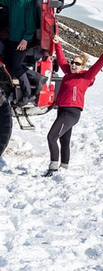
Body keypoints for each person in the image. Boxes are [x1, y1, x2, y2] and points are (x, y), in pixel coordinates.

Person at [44, 35, 103, 176]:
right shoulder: (67, 73)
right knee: (64, 140)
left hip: (72, 112)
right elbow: (62, 59)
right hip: (62, 111)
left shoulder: (86, 76)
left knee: (52, 137)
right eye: (73, 62)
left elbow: (98, 65)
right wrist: (57, 44)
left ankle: (53, 168)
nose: (73, 65)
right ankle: (64, 168)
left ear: (82, 66)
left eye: (77, 63)